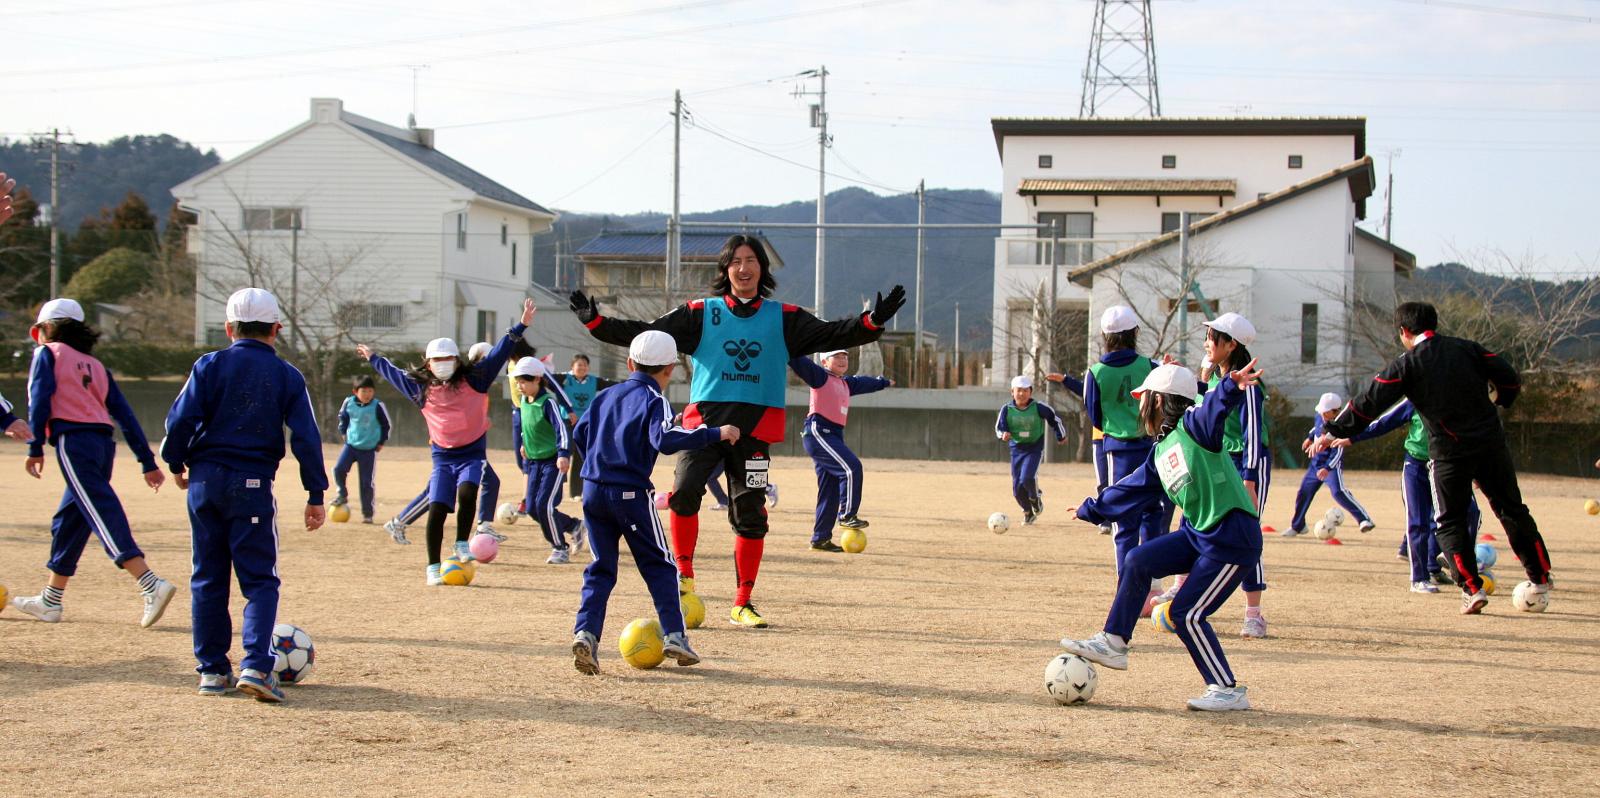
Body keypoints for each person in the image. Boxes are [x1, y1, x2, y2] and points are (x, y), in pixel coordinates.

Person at [568, 233, 904, 628]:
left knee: (750, 514)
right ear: (725, 269)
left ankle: (743, 601)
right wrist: (596, 322)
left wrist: (874, 321)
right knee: (684, 494)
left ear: (762, 268)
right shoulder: (700, 312)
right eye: (736, 261)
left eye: (751, 261)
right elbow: (646, 334)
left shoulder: (786, 317)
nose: (744, 268)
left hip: (756, 430)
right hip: (703, 425)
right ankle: (684, 579)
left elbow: (835, 333)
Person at [1318, 301, 1553, 614]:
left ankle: (1472, 589)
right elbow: (1509, 377)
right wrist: (1503, 398)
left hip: (1448, 453)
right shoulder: (1468, 348)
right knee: (1512, 509)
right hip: (1490, 444)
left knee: (1449, 522)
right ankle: (1539, 575)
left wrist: (1333, 430)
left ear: (1403, 332)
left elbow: (1369, 402)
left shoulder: (1408, 363)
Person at [1059, 359, 1265, 712]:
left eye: (1143, 399)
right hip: (1200, 535)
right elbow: (1130, 491)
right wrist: (1090, 509)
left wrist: (1230, 386)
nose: (1138, 407)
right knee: (1139, 559)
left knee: (1186, 614)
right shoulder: (1161, 450)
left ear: (1158, 401)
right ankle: (1114, 642)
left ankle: (1227, 689)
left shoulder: (1194, 426)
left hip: (1232, 540)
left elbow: (1213, 407)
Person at [162, 288, 327, 701]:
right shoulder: (287, 375)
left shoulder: (209, 364)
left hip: (203, 481)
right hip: (251, 481)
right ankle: (255, 665)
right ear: (277, 329)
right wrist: (315, 491)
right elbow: (305, 436)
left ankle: (212, 671)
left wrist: (176, 461)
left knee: (207, 575)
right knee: (259, 579)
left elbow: (180, 419)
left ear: (229, 328)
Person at [570, 331, 735, 674]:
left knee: (601, 568)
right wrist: (716, 432)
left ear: (630, 363)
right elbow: (666, 439)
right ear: (670, 369)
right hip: (629, 494)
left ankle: (586, 634)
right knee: (660, 566)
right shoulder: (653, 399)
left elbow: (579, 434)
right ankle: (675, 635)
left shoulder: (605, 395)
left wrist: (597, 467)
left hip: (592, 491)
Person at [11, 298, 177, 630]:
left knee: (100, 509)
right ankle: (51, 600)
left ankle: (148, 582)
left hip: (74, 441)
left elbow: (40, 397)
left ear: (43, 330)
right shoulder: (95, 365)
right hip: (103, 444)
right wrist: (147, 460)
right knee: (69, 520)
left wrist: (34, 446)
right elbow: (124, 415)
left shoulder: (47, 353)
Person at [360, 299, 534, 585]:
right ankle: (432, 567)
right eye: (437, 360)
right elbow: (392, 374)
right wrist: (373, 358)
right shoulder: (420, 388)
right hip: (443, 456)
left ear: (457, 360)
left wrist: (521, 325)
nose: (443, 365)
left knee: (467, 492)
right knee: (438, 507)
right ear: (428, 363)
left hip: (472, 453)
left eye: (448, 359)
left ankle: (462, 543)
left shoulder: (476, 379)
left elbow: (500, 352)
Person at [1161, 312, 1273, 639]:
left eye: (1212, 338)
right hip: (1217, 460)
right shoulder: (1212, 376)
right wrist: (1174, 373)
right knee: (1191, 519)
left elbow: (1253, 429)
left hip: (1246, 462)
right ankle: (1180, 587)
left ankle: (1254, 614)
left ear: (1231, 344)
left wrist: (1250, 477)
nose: (1206, 343)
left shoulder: (1247, 380)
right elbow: (1201, 404)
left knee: (1246, 535)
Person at [1333, 398, 1478, 592]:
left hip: (1446, 465)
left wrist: (1476, 470)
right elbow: (1385, 422)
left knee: (1471, 512)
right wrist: (1352, 437)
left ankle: (1442, 560)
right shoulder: (1415, 398)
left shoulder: (1459, 396)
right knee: (1418, 522)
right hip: (1416, 467)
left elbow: (1473, 436)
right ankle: (1419, 579)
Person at [1078, 306, 1171, 568]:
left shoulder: (1094, 373)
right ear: (1134, 333)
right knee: (1153, 512)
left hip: (1116, 451)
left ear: (1105, 337)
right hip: (1150, 448)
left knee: (1123, 516)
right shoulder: (1150, 367)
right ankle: (1151, 582)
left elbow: (1094, 415)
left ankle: (1126, 582)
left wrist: (1115, 423)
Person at [791, 350, 892, 551]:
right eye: (836, 357)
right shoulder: (820, 376)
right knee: (851, 468)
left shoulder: (845, 383)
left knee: (829, 489)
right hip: (819, 431)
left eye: (845, 356)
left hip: (834, 435)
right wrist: (787, 343)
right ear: (824, 361)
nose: (842, 360)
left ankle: (820, 539)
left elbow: (864, 382)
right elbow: (797, 360)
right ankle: (847, 515)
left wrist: (884, 382)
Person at [511, 356, 584, 563]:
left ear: (537, 380)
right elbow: (527, 426)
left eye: (523, 382)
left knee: (544, 505)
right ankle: (574, 526)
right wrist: (525, 443)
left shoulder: (548, 401)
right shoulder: (525, 401)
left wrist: (563, 454)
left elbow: (561, 430)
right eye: (517, 382)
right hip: (533, 462)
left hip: (552, 462)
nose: (520, 386)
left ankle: (560, 548)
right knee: (533, 508)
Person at [1285, 392, 1373, 536]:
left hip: (1331, 465)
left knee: (1338, 492)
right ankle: (1298, 526)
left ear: (1336, 411)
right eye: (1322, 412)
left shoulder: (1341, 424)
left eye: (1326, 413)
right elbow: (1317, 428)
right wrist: (1310, 438)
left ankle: (1364, 519)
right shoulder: (1320, 415)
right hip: (1315, 464)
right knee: (1304, 492)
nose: (1323, 415)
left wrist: (1328, 468)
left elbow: (1338, 452)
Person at [995, 375, 1067, 525]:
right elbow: (999, 428)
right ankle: (1028, 512)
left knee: (1027, 478)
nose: (1021, 394)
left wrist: (1061, 435)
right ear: (1012, 392)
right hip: (1016, 449)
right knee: (1017, 488)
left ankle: (1035, 498)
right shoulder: (1006, 409)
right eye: (1018, 390)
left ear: (1031, 392)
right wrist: (1004, 435)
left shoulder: (1039, 407)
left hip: (1034, 447)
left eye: (1025, 390)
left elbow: (1054, 419)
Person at [333, 375, 391, 524]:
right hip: (351, 445)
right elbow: (343, 418)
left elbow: (386, 425)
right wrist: (343, 433)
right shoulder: (349, 403)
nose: (368, 394)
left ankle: (368, 514)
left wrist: (381, 442)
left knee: (366, 483)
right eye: (364, 391)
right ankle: (342, 494)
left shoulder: (377, 406)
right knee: (338, 469)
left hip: (368, 449)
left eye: (371, 391)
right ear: (355, 391)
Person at [558, 353, 615, 499]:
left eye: (584, 365)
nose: (582, 367)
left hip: (584, 423)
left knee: (580, 457)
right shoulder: (565, 379)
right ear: (572, 367)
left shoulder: (593, 381)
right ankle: (556, 487)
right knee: (564, 452)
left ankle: (576, 493)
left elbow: (611, 384)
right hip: (566, 421)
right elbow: (546, 379)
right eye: (579, 364)